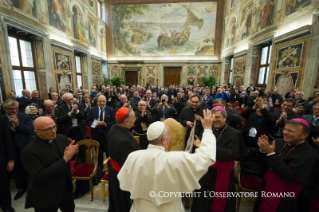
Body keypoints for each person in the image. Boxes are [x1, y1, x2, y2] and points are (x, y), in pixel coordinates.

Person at [118, 110, 216, 212]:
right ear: (164, 139)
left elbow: (124, 182)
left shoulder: (133, 157)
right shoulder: (176, 159)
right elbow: (206, 158)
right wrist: (208, 130)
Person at [253, 119, 319, 212]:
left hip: (286, 195)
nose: (285, 133)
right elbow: (264, 161)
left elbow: (289, 174)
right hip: (267, 186)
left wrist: (270, 153)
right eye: (285, 129)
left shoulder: (310, 155)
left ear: (304, 135)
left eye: (290, 131)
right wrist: (263, 150)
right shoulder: (279, 142)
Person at [191, 106, 246, 212]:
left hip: (222, 172)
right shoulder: (207, 131)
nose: (215, 119)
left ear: (225, 118)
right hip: (206, 172)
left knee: (220, 202)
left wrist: (206, 147)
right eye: (212, 117)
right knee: (202, 201)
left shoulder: (234, 134)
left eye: (218, 117)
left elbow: (230, 155)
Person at [21, 117, 78, 212]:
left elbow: (69, 160)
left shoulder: (61, 138)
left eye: (54, 127)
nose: (53, 131)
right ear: (37, 132)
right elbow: (40, 175)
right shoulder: (28, 151)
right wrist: (65, 159)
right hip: (45, 195)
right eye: (48, 129)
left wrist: (74, 153)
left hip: (65, 190)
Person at [107, 107, 141, 212]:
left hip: (114, 170)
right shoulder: (124, 141)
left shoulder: (114, 127)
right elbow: (128, 168)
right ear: (126, 121)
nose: (135, 119)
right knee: (122, 205)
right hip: (121, 177)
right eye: (133, 117)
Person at [1, 99, 34, 200]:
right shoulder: (2, 119)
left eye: (16, 109)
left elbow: (30, 130)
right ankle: (21, 187)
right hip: (11, 149)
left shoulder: (24, 116)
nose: (15, 111)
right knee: (17, 170)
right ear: (4, 109)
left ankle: (31, 188)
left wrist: (18, 125)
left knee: (28, 169)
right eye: (11, 109)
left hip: (25, 146)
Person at [86, 95, 115, 168]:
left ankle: (109, 168)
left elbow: (114, 122)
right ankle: (99, 168)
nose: (102, 103)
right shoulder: (92, 109)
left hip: (107, 135)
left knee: (109, 152)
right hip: (96, 134)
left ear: (106, 101)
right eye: (100, 101)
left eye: (103, 101)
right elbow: (87, 121)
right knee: (99, 153)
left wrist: (105, 124)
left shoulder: (110, 110)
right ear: (97, 102)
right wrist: (95, 124)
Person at [0, 115, 15, 212]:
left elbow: (8, 139)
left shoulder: (2, 119)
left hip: (1, 156)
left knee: (2, 182)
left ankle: (6, 206)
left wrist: (10, 159)